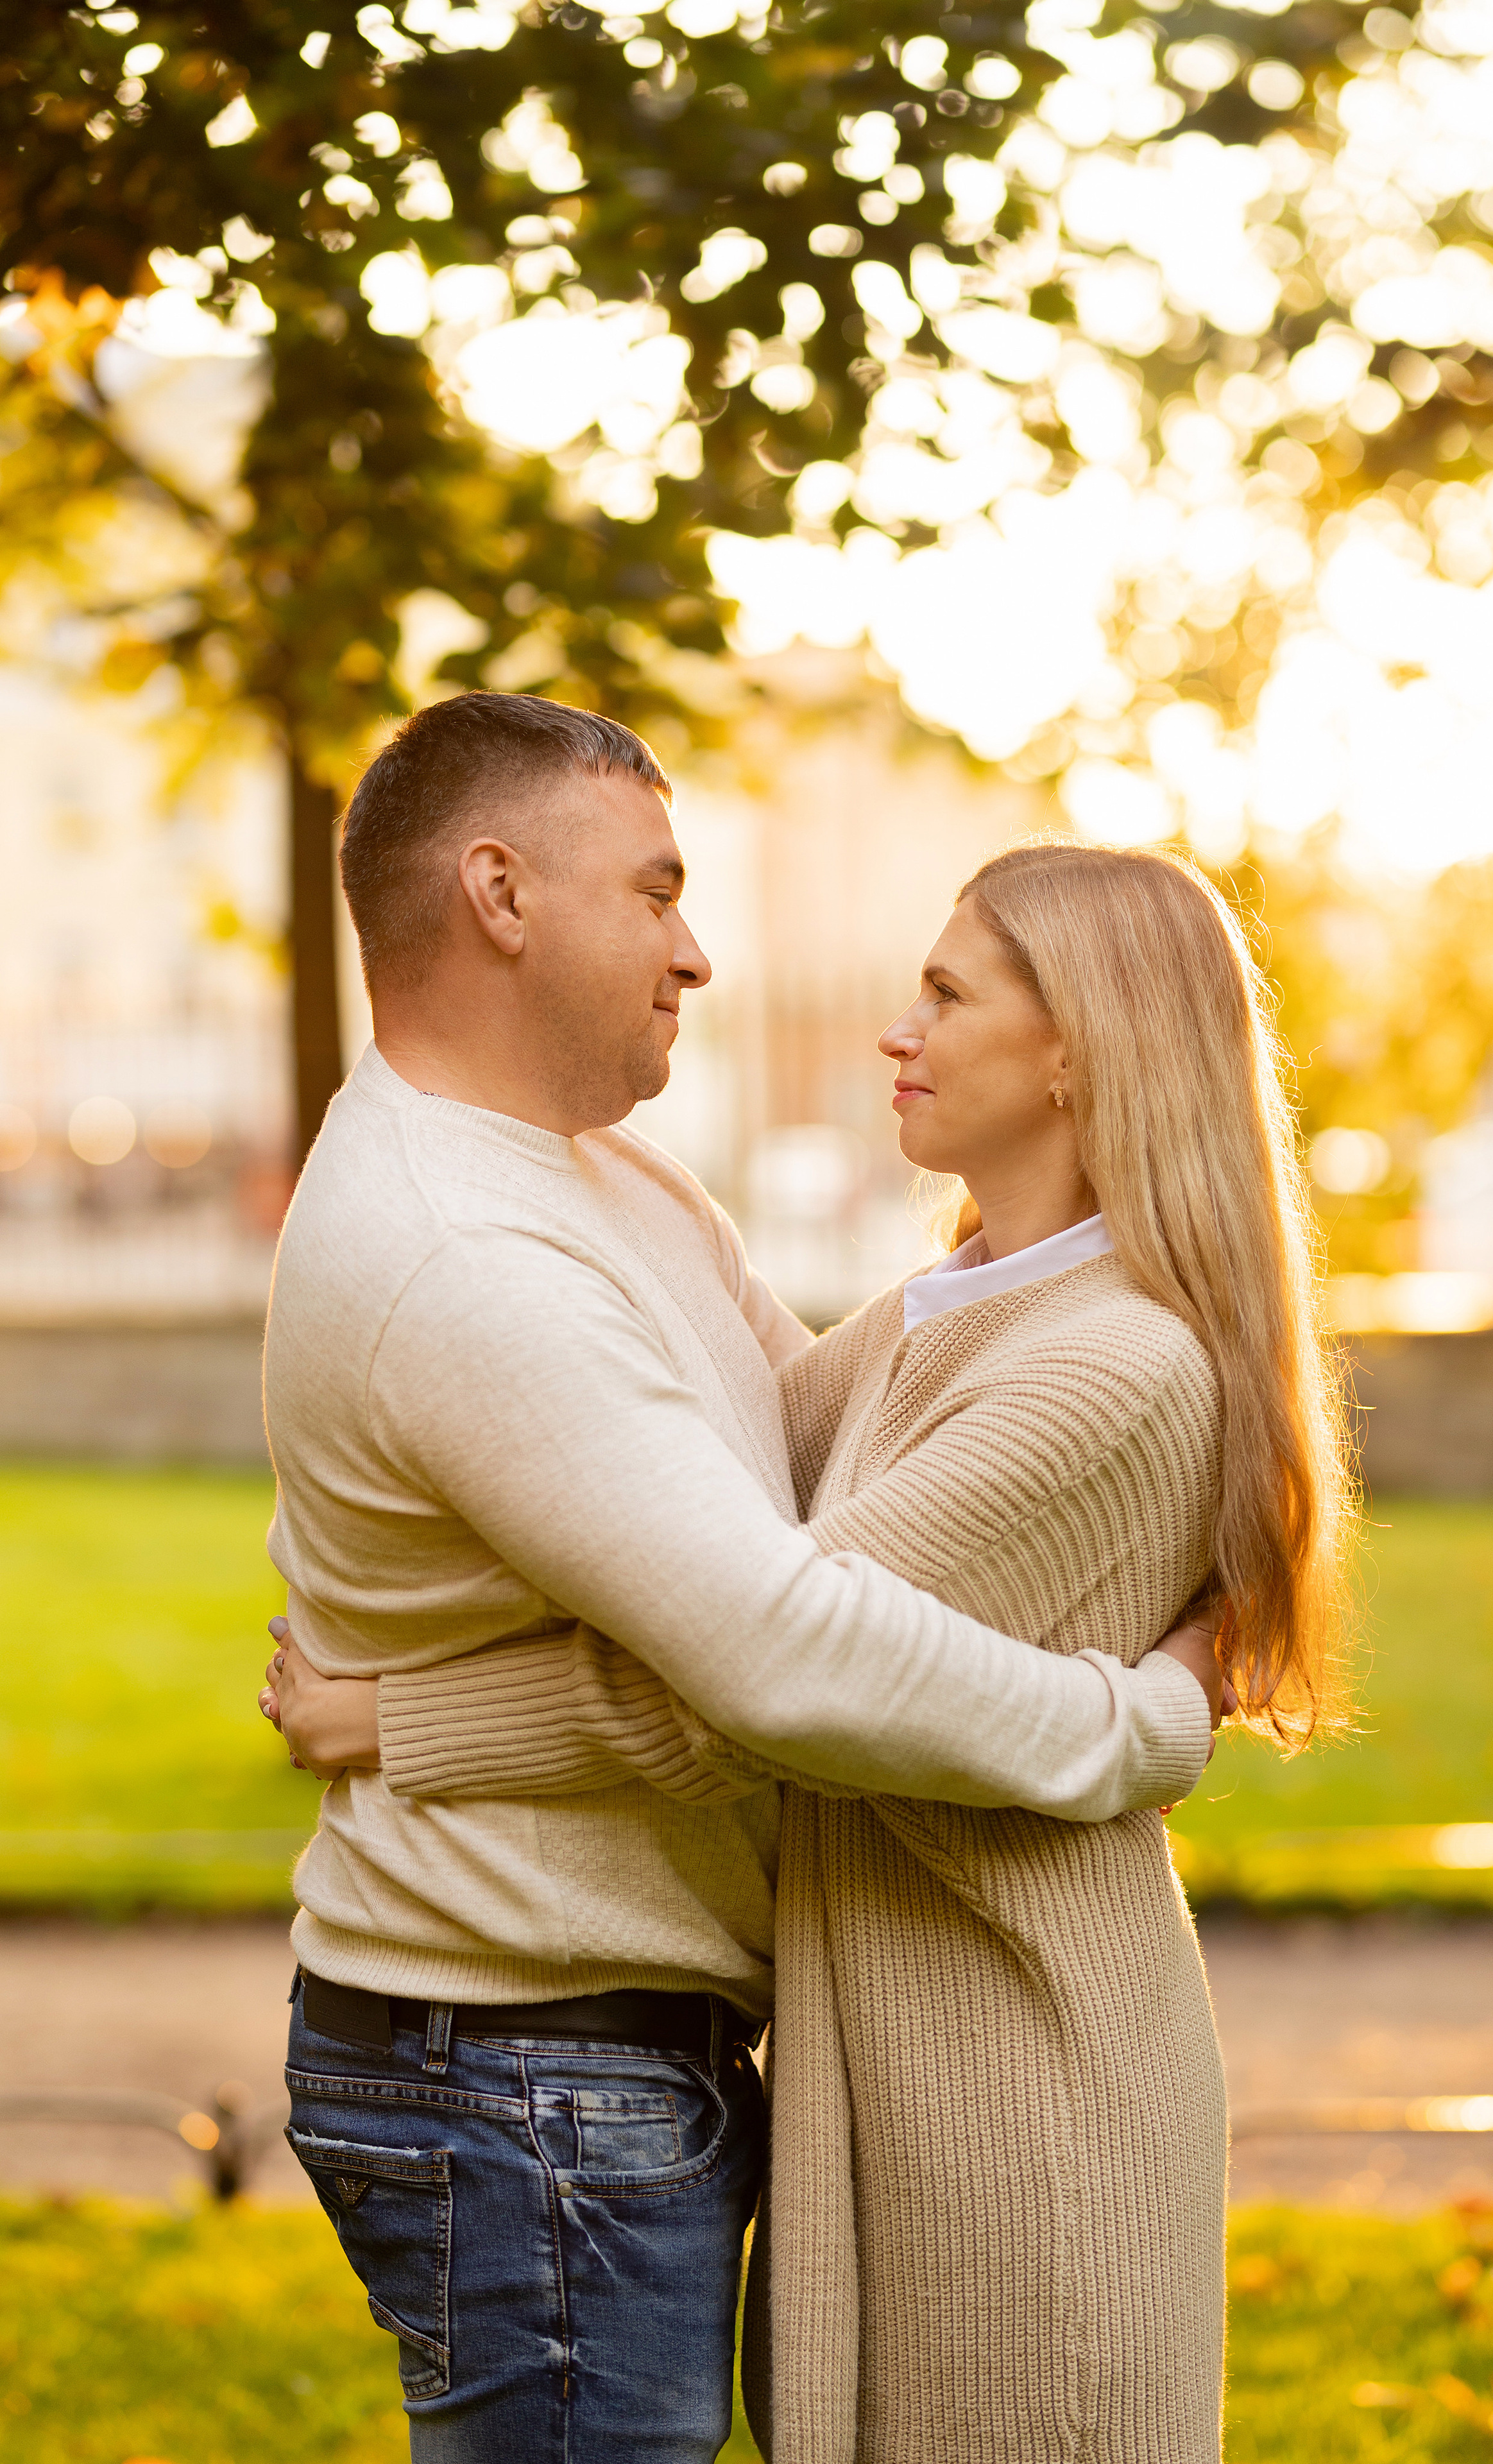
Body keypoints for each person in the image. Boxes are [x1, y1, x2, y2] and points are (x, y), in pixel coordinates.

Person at [271, 832, 1349, 2461]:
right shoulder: (960, 1303)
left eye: (941, 993)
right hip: (900, 2050)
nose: (893, 1031)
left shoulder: (1107, 1365)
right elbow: (729, 1561)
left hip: (1013, 2072)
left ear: (1077, 1051)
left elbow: (759, 1689)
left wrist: (406, 1721)